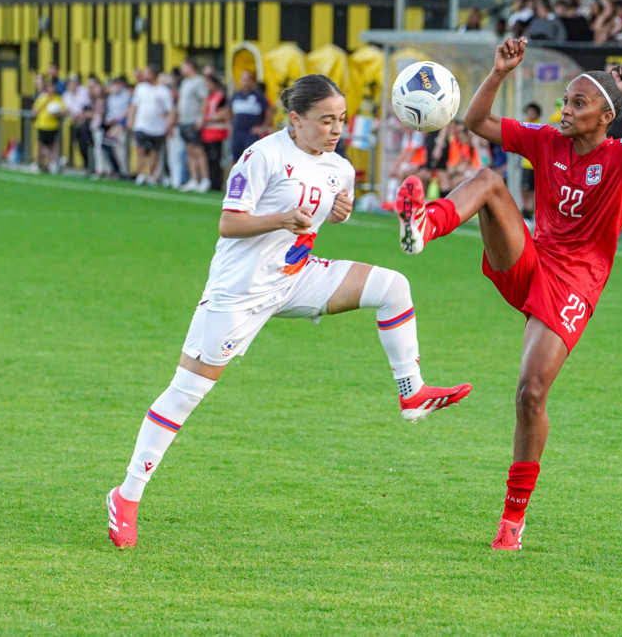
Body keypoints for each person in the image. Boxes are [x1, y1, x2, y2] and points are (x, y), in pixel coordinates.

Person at [106, 74, 472, 549]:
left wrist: (338, 213)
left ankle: (412, 392)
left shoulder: (341, 168)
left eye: (341, 119)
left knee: (393, 287)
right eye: (325, 120)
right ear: (295, 120)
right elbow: (228, 222)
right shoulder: (263, 156)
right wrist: (281, 218)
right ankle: (126, 495)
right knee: (186, 394)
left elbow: (319, 217)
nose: (335, 129)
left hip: (297, 278)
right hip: (239, 292)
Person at [393, 39, 622, 550]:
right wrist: (498, 73)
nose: (565, 109)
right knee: (488, 180)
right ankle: (424, 225)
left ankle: (513, 520)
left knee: (531, 393)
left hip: (575, 285)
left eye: (578, 103)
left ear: (605, 116)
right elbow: (478, 122)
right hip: (530, 260)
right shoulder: (547, 140)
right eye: (566, 101)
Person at [128, 65, 175, 186]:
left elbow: (170, 110)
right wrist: (131, 119)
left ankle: (151, 175)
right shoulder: (140, 88)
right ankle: (141, 174)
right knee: (140, 150)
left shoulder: (163, 91)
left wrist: (169, 124)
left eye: (147, 73)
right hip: (141, 124)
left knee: (154, 152)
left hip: (157, 127)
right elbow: (134, 105)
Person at [177, 59, 210, 192]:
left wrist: (200, 118)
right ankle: (194, 179)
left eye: (184, 66)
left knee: (198, 151)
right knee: (189, 151)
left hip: (193, 120)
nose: (182, 69)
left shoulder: (198, 81)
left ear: (190, 66)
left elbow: (204, 99)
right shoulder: (185, 82)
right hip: (184, 121)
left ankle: (205, 179)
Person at [230, 69, 272, 163]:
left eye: (247, 80)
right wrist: (230, 124)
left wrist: (263, 127)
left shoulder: (258, 96)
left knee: (250, 160)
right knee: (235, 160)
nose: (245, 82)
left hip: (251, 134)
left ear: (252, 81)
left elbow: (269, 110)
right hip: (237, 133)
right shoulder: (236, 95)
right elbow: (228, 110)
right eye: (243, 80)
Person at [200, 74, 230, 192]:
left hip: (217, 133)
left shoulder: (220, 97)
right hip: (208, 132)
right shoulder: (209, 97)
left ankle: (217, 183)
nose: (207, 86)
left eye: (209, 83)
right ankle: (211, 181)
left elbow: (225, 112)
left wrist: (210, 117)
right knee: (210, 159)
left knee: (216, 159)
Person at [32, 79, 64, 173]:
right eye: (49, 88)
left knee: (51, 147)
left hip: (53, 126)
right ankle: (39, 163)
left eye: (52, 88)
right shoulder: (42, 98)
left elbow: (63, 111)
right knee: (40, 146)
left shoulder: (58, 99)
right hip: (42, 125)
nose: (51, 89)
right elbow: (35, 110)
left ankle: (49, 165)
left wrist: (57, 114)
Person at [62, 75, 93, 172]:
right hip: (75, 123)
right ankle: (86, 164)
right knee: (79, 145)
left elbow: (87, 106)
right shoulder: (66, 95)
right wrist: (74, 115)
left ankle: (91, 165)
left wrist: (81, 114)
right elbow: (67, 109)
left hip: (86, 122)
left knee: (87, 144)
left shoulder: (83, 91)